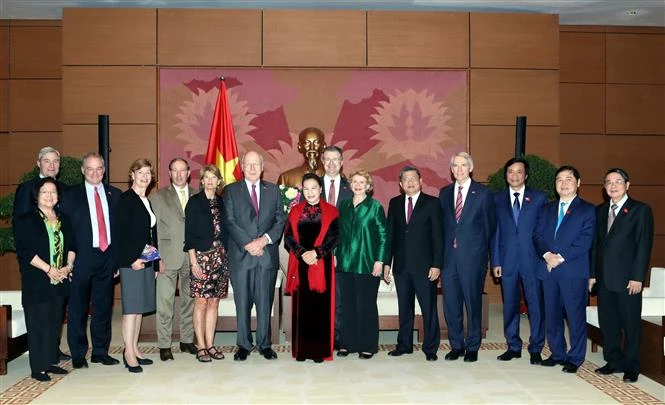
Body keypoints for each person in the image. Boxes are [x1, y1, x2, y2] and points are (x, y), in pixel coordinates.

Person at [590, 168, 654, 383]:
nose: (613, 185)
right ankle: (614, 361)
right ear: (604, 186)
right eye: (608, 182)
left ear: (627, 185)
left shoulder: (640, 210)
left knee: (630, 324)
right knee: (608, 323)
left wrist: (638, 277)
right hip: (604, 279)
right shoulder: (599, 211)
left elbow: (643, 246)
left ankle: (632, 366)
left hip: (628, 280)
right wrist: (592, 275)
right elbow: (595, 247)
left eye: (618, 181)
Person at [223, 151, 287, 361]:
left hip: (266, 255)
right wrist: (249, 244)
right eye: (248, 164)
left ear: (262, 167)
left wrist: (264, 240)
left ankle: (264, 343)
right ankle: (243, 344)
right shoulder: (231, 190)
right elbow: (230, 221)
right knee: (242, 303)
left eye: (256, 164)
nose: (252, 168)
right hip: (241, 256)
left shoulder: (274, 190)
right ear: (242, 166)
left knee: (264, 301)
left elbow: (280, 220)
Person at [60, 152, 121, 369]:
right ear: (83, 171)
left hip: (107, 257)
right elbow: (64, 231)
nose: (94, 173)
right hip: (80, 257)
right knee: (78, 307)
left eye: (98, 168)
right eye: (90, 168)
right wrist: (67, 261)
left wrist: (117, 261)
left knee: (104, 307)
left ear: (103, 170)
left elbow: (120, 231)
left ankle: (100, 352)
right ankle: (78, 354)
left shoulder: (116, 194)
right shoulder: (69, 196)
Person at [533, 165, 595, 374]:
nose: (564, 183)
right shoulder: (547, 208)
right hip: (548, 269)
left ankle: (575, 357)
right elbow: (537, 235)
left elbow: (585, 240)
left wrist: (559, 257)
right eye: (559, 179)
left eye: (569, 179)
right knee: (551, 315)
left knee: (575, 315)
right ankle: (557, 353)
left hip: (572, 271)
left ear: (578, 183)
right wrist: (547, 255)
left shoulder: (587, 209)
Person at [12, 146, 70, 362]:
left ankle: (52, 352)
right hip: (36, 266)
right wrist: (43, 266)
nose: (52, 165)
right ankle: (40, 360)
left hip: (59, 265)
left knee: (56, 312)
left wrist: (66, 264)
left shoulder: (64, 190)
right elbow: (20, 230)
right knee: (39, 315)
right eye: (47, 161)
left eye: (56, 161)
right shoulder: (26, 189)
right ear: (39, 163)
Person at [439, 152, 496, 363]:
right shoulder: (444, 193)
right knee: (451, 304)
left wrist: (487, 257)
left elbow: (490, 228)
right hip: (448, 259)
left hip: (473, 259)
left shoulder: (483, 193)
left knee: (473, 304)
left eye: (463, 165)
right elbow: (443, 228)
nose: (459, 169)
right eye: (455, 165)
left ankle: (473, 345)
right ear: (451, 169)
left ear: (470, 168)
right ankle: (456, 345)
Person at [491, 157, 547, 365]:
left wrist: (545, 257)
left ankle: (536, 348)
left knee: (535, 305)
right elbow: (495, 233)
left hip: (532, 260)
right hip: (507, 261)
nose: (514, 175)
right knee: (510, 305)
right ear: (506, 175)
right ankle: (513, 346)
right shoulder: (497, 199)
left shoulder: (539, 198)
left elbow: (543, 231)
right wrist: (496, 261)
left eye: (519, 172)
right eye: (510, 172)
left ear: (526, 175)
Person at [385, 165, 443, 361]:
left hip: (425, 267)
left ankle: (431, 349)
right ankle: (404, 345)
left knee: (429, 309)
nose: (410, 182)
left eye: (413, 178)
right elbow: (390, 236)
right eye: (406, 179)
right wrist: (387, 263)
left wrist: (437, 264)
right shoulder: (394, 203)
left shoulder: (432, 203)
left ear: (420, 181)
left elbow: (438, 237)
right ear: (400, 184)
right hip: (401, 266)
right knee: (405, 308)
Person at [284, 173, 339, 362]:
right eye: (306, 188)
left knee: (320, 308)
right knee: (302, 309)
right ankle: (302, 351)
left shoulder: (332, 211)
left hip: (321, 265)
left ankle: (318, 352)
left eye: (314, 188)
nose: (310, 192)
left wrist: (316, 253)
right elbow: (288, 238)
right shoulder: (295, 211)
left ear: (321, 189)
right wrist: (302, 253)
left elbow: (334, 238)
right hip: (301, 266)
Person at [116, 159, 162, 373]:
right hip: (132, 263)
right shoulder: (125, 200)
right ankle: (128, 353)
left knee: (139, 309)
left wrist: (155, 260)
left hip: (146, 262)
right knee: (131, 309)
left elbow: (151, 235)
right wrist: (131, 259)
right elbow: (120, 235)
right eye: (140, 172)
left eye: (148, 173)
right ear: (132, 175)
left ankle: (135, 348)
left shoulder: (145, 200)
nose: (145, 176)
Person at [149, 158, 197, 361]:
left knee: (189, 302)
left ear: (188, 172)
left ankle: (186, 340)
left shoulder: (198, 195)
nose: (178, 174)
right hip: (166, 258)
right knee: (165, 303)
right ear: (169, 173)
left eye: (182, 170)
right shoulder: (158, 197)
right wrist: (155, 257)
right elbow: (151, 231)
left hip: (193, 257)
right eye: (174, 170)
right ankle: (164, 344)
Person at [336, 169, 388, 359]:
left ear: (368, 186)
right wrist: (335, 255)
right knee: (347, 306)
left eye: (362, 182)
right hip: (345, 264)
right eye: (355, 182)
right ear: (350, 185)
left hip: (367, 264)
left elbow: (383, 236)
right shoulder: (343, 205)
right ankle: (346, 344)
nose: (358, 185)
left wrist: (380, 261)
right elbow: (337, 233)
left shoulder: (375, 207)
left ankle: (368, 345)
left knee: (365, 306)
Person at [184, 165, 230, 363]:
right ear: (201, 181)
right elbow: (189, 235)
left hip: (220, 258)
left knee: (214, 302)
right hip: (201, 258)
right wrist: (193, 262)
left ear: (219, 181)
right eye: (206, 177)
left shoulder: (222, 203)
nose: (210, 180)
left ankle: (210, 344)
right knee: (201, 302)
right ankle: (200, 346)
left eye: (214, 177)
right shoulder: (194, 203)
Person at [319, 145, 352, 350]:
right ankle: (321, 336)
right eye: (327, 159)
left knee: (340, 297)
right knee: (320, 296)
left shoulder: (352, 189)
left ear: (341, 163)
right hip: (318, 252)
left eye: (335, 160)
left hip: (344, 252)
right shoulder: (312, 187)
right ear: (323, 162)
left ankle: (338, 337)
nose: (331, 163)